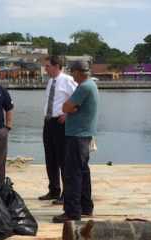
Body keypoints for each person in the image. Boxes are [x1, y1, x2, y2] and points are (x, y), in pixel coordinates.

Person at [52, 61, 99, 223]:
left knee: (72, 174)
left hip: (77, 136)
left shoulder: (83, 87)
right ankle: (86, 207)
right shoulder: (91, 85)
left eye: (73, 72)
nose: (72, 76)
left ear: (79, 72)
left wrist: (69, 108)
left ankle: (72, 212)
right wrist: (71, 108)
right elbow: (71, 107)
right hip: (85, 135)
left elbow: (66, 107)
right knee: (83, 172)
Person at [38, 56, 77, 204]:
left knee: (63, 159)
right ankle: (54, 190)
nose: (45, 69)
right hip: (48, 122)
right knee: (50, 158)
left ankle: (67, 193)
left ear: (56, 66)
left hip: (60, 123)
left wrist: (68, 114)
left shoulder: (67, 80)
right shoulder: (50, 82)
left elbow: (78, 100)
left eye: (47, 66)